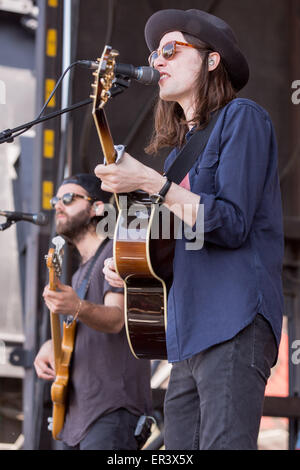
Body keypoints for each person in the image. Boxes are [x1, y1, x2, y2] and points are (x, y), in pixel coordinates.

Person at [95, 9, 284, 450]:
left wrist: (148, 181)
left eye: (170, 50)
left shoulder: (244, 118)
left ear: (211, 60)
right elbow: (173, 248)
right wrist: (131, 267)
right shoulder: (177, 158)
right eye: (153, 54)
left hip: (234, 321)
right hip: (186, 337)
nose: (157, 61)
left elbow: (232, 224)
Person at [34, 173, 152, 450]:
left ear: (97, 207)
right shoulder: (78, 277)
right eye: (55, 200)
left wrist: (76, 306)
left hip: (111, 410)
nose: (58, 206)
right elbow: (80, 331)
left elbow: (115, 319)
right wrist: (52, 345)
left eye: (68, 198)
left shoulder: (116, 253)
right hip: (79, 418)